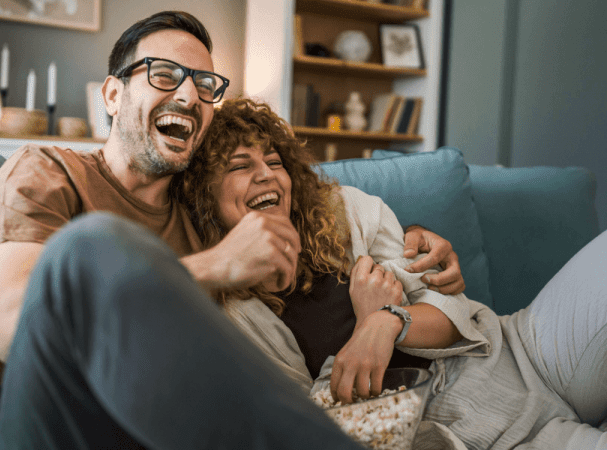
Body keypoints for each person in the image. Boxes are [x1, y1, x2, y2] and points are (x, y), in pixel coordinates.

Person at [0, 10, 465, 449]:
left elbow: (308, 196)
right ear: (113, 94)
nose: (188, 95)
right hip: (66, 427)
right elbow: (16, 329)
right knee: (89, 247)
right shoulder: (47, 172)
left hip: (181, 428)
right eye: (164, 76)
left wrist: (415, 241)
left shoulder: (204, 213)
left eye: (205, 85)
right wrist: (215, 266)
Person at [180, 97, 607, 449]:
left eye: (274, 161)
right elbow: (315, 426)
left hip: (528, 351)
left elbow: (448, 308)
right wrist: (363, 328)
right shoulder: (236, 316)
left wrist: (385, 321)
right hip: (483, 437)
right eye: (239, 166)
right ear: (204, 197)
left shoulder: (345, 210)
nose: (265, 174)